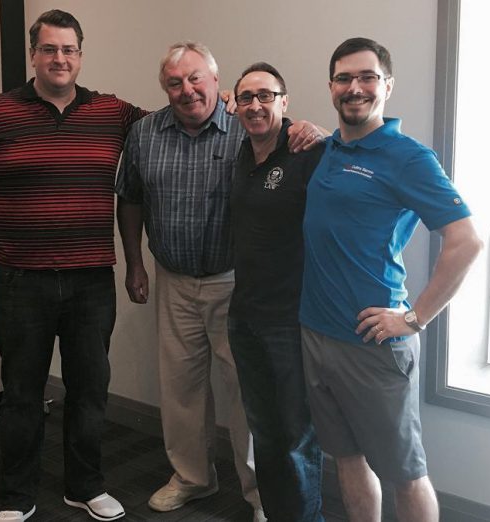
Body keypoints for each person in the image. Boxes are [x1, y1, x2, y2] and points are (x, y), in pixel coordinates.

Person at [0, 9, 147, 522]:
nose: (60, 58)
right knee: (23, 392)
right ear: (33, 54)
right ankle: (16, 495)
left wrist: (228, 101)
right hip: (20, 281)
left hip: (90, 281)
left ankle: (85, 485)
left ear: (80, 54)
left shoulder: (113, 113)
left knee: (90, 390)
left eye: (69, 49)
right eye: (49, 49)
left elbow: (170, 128)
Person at [116, 42, 324, 522]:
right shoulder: (144, 133)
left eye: (196, 80)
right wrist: (134, 263)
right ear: (164, 88)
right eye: (175, 82)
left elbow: (298, 145)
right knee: (181, 388)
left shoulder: (245, 127)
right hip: (173, 279)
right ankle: (192, 478)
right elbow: (130, 199)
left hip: (236, 282)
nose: (187, 90)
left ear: (217, 83)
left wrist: (320, 131)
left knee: (247, 392)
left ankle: (259, 494)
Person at [299, 37, 483, 522]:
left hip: (373, 342)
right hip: (316, 332)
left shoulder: (407, 156)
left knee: (405, 473)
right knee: (346, 458)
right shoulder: (329, 148)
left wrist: (415, 317)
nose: (354, 87)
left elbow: (465, 241)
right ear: (331, 86)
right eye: (344, 78)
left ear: (387, 85)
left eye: (367, 77)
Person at [228, 62, 325, 521]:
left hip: (290, 320)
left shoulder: (308, 151)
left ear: (285, 102)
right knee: (263, 434)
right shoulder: (242, 155)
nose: (255, 105)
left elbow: (357, 158)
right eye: (246, 97)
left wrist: (325, 135)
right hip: (244, 315)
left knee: (295, 438)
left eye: (266, 96)